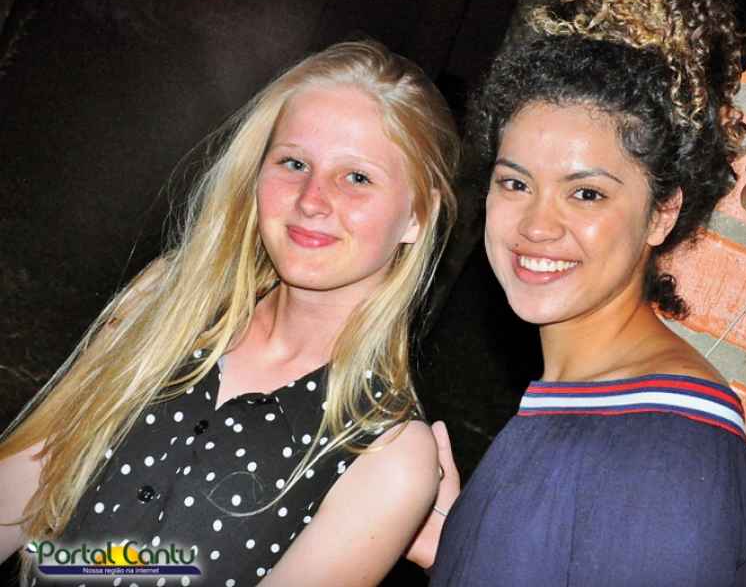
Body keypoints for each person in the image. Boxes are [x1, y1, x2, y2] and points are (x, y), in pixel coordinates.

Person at [0, 39, 459, 586]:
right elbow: (27, 484)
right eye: (294, 163)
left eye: (356, 177)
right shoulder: (166, 305)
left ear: (417, 216)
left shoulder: (386, 454)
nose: (312, 199)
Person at [426, 0, 746, 585]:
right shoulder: (587, 399)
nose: (536, 225)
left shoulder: (664, 453)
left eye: (586, 193)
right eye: (515, 184)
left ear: (661, 213)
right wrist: (456, 545)